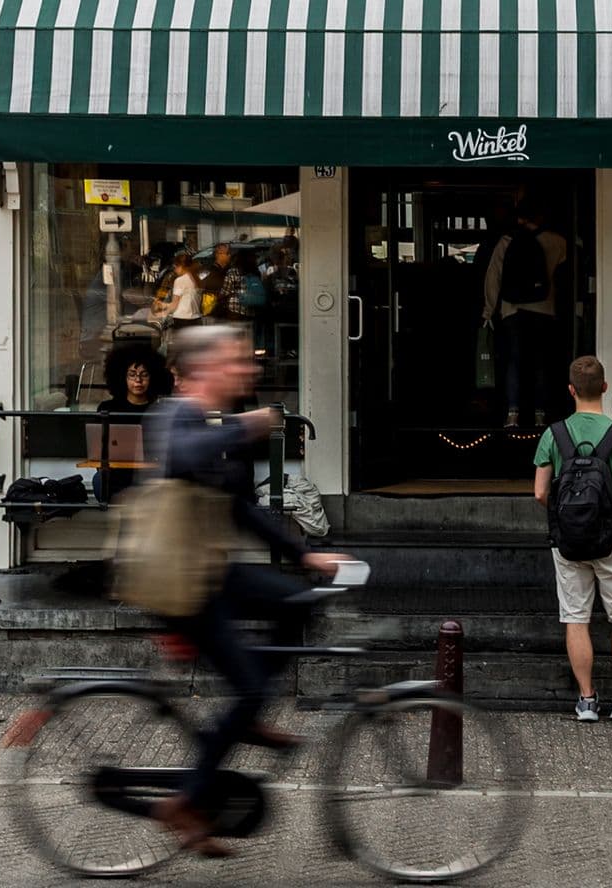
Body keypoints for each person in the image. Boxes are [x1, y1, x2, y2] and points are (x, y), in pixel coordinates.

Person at [144, 326, 349, 855]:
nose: (249, 370)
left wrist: (306, 555)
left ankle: (247, 710)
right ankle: (184, 801)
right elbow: (184, 456)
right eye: (237, 361)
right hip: (180, 582)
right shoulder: (175, 415)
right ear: (206, 369)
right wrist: (242, 426)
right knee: (250, 687)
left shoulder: (222, 425)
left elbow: (241, 507)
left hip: (213, 569)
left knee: (299, 603)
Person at [533, 355, 612, 724]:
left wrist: (567, 519)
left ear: (571, 390)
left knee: (575, 618)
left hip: (568, 544)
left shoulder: (553, 434)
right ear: (604, 388)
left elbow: (541, 493)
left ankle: (586, 701)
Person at [483, 198, 568, 427]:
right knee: (541, 362)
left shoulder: (507, 241)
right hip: (544, 309)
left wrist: (489, 310)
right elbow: (564, 276)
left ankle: (513, 413)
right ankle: (541, 414)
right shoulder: (557, 242)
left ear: (519, 218)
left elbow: (493, 277)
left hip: (512, 310)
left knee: (514, 361)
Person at [93, 346, 172, 501]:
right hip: (118, 473)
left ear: (154, 377)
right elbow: (98, 451)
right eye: (132, 375)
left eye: (144, 375)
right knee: (99, 480)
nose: (138, 380)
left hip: (149, 475)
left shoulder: (160, 409)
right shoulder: (107, 408)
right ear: (122, 377)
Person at [152, 253, 202, 327]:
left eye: (175, 267)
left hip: (182, 320)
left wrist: (162, 312)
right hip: (196, 319)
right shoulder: (197, 279)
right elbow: (185, 303)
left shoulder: (180, 280)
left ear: (180, 266)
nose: (174, 270)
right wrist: (164, 305)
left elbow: (174, 306)